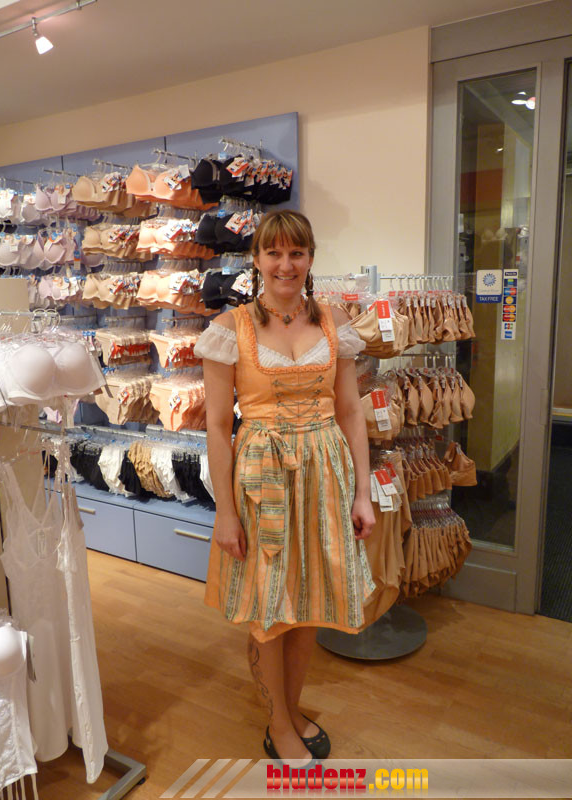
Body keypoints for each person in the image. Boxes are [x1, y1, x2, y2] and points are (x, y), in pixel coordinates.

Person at [194, 209, 376, 762]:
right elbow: (218, 427)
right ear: (256, 260)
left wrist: (362, 492)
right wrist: (225, 511)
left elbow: (350, 411)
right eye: (273, 252)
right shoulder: (231, 330)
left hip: (325, 473)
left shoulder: (333, 322)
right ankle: (278, 722)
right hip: (261, 478)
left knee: (311, 599)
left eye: (296, 252)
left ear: (310, 259)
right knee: (269, 606)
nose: (285, 264)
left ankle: (291, 708)